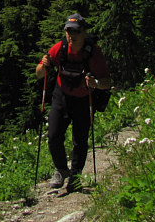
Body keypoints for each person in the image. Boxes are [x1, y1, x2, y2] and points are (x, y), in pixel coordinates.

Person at [35, 13, 112, 191]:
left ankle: (75, 176)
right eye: (68, 30)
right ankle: (61, 170)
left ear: (84, 32)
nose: (71, 35)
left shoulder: (93, 52)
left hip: (84, 99)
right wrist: (44, 65)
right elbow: (39, 74)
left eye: (75, 31)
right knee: (53, 136)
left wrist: (96, 84)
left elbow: (107, 81)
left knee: (80, 140)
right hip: (61, 96)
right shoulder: (60, 48)